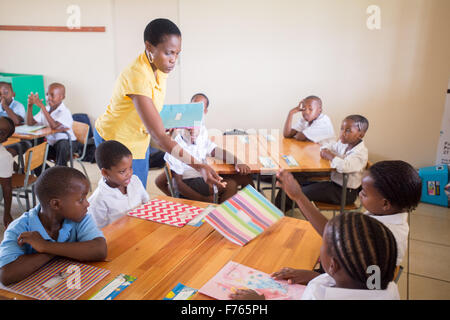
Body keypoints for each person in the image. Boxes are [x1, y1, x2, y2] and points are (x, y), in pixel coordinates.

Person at [94, 18, 222, 189]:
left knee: (137, 192)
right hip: (116, 140)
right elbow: (159, 137)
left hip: (138, 138)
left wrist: (170, 122)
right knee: (126, 197)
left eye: (177, 53)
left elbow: (152, 105)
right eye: (169, 53)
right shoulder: (137, 75)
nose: (173, 59)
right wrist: (200, 166)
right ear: (149, 47)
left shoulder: (159, 67)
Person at [276, 159, 421, 266]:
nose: (359, 195)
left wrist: (298, 196)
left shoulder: (382, 236)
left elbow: (330, 233)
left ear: (385, 203)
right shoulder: (385, 214)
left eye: (364, 193)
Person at [229, 211, 400, 300]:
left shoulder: (317, 295)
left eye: (323, 243)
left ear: (333, 265)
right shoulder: (386, 286)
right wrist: (314, 276)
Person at [0, 166, 107, 286]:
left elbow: (100, 250)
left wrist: (46, 246)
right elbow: (6, 275)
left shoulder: (80, 218)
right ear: (56, 204)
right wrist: (57, 250)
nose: (87, 204)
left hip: (66, 285)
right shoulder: (19, 228)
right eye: (81, 199)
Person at [275, 114, 369, 210]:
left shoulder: (360, 153)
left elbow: (344, 167)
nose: (343, 133)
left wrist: (330, 156)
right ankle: (276, 211)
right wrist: (326, 151)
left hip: (344, 193)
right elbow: (329, 146)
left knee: (298, 192)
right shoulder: (343, 144)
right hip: (332, 184)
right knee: (292, 183)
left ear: (361, 134)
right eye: (342, 128)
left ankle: (277, 215)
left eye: (348, 130)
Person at [161, 127, 253, 203]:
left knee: (245, 177)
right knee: (230, 185)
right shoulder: (176, 147)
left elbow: (216, 151)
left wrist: (238, 162)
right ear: (180, 128)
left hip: (203, 176)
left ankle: (255, 210)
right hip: (190, 182)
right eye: (188, 128)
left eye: (195, 127)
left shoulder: (198, 139)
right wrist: (202, 199)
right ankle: (220, 217)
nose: (192, 130)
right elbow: (177, 184)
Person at [155, 92, 211, 196]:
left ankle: (178, 197)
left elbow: (199, 144)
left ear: (205, 111)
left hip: (188, 163)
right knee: (161, 181)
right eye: (194, 105)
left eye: (200, 107)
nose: (196, 110)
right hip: (183, 163)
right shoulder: (182, 124)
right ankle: (178, 198)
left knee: (161, 181)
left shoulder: (201, 129)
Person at [88, 140, 149, 228]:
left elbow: (146, 203)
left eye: (130, 167)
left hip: (139, 228)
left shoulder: (135, 181)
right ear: (105, 172)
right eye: (122, 171)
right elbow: (98, 230)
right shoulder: (99, 199)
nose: (129, 173)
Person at [26, 83, 78, 167]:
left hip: (68, 145)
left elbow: (54, 126)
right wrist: (30, 106)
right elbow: (30, 123)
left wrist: (42, 107)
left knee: (62, 144)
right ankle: (46, 173)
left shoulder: (65, 112)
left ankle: (60, 170)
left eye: (52, 95)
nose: (48, 98)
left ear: (62, 97)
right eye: (47, 94)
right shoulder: (46, 109)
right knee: (32, 145)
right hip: (52, 144)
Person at [0, 116, 15, 227]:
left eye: (1, 132)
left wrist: (7, 213)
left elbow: (7, 187)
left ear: (5, 139)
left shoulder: (4, 156)